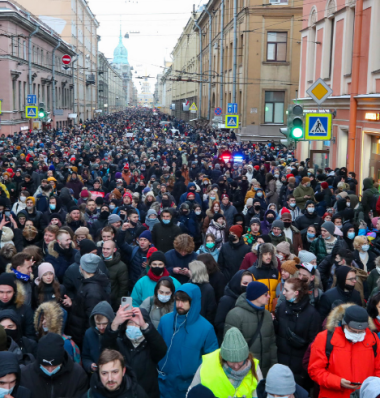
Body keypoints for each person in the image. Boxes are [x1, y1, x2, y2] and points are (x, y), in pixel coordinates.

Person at [157, 284, 218, 398]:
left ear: (193, 302)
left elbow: (211, 360)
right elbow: (155, 347)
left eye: (184, 301)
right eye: (177, 300)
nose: (179, 305)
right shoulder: (165, 321)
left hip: (188, 386)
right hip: (163, 383)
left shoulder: (206, 328)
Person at [309, 304, 380, 398]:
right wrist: (337, 382)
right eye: (353, 331)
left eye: (362, 331)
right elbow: (315, 370)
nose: (357, 334)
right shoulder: (324, 338)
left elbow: (378, 370)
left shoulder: (373, 339)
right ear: (344, 324)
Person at [102, 304, 167, 398]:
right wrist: (115, 323)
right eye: (130, 323)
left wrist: (144, 325)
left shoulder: (150, 345)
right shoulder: (119, 343)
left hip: (147, 393)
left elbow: (161, 350)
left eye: (137, 323)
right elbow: (105, 348)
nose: (134, 326)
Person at [188, 327, 262, 397]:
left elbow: (260, 395)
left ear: (246, 357)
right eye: (231, 362)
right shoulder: (207, 366)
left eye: (240, 361)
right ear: (224, 358)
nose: (236, 366)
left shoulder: (255, 368)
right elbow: (192, 393)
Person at [274, 278, 321, 387]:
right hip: (282, 363)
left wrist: (302, 343)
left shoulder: (312, 314)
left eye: (286, 290)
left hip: (300, 369)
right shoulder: (282, 307)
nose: (283, 293)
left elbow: (314, 343)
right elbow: (278, 332)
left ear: (296, 293)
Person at [224, 281, 277, 376]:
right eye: (265, 294)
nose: (269, 296)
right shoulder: (235, 315)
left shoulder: (267, 315)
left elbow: (272, 343)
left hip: (265, 371)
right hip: (244, 370)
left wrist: (273, 366)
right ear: (256, 295)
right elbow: (231, 347)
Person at [20, 333, 88, 398]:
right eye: (45, 367)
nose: (50, 370)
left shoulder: (77, 375)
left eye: (54, 367)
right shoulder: (26, 376)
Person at [64, 253, 110, 347]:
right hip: (79, 332)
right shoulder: (88, 283)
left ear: (82, 268)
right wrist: (73, 304)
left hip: (82, 337)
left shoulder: (93, 291)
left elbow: (91, 320)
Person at [83, 349, 149, 398]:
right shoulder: (90, 395)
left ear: (123, 371)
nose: (110, 378)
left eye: (114, 372)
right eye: (104, 373)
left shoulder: (137, 393)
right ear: (99, 374)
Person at [214, 270, 253, 343]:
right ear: (237, 283)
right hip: (228, 341)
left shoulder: (250, 299)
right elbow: (218, 323)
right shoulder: (226, 300)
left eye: (250, 284)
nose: (247, 286)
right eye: (245, 283)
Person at [82, 301, 115, 375]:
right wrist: (90, 365)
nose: (101, 327)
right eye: (98, 324)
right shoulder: (89, 334)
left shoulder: (117, 334)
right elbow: (85, 356)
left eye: (104, 324)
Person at [247, 243, 281, 312]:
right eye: (265, 254)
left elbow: (279, 292)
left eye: (270, 254)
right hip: (257, 311)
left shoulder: (276, 272)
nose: (268, 257)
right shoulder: (252, 271)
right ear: (260, 255)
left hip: (273, 312)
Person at [0, 273, 35, 340]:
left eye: (9, 292)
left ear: (15, 292)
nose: (5, 296)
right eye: (1, 292)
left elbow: (31, 337)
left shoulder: (25, 310)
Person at [101, 240, 128, 311]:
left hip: (113, 303)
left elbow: (123, 287)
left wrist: (118, 303)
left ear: (114, 250)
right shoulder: (98, 262)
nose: (105, 251)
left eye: (108, 249)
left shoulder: (121, 266)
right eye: (103, 248)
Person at [189, 260, 217, 324]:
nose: (188, 271)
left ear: (195, 272)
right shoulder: (188, 283)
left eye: (190, 270)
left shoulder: (208, 289)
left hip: (201, 323)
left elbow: (211, 311)